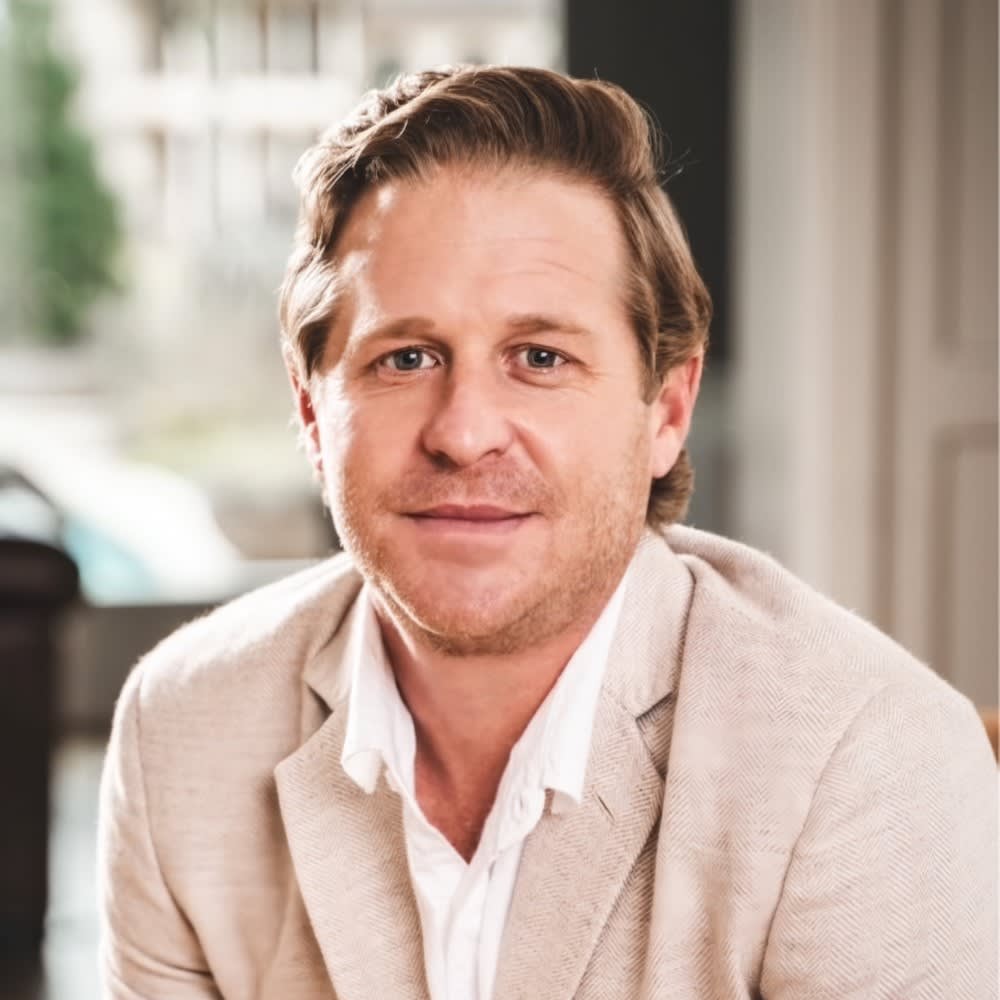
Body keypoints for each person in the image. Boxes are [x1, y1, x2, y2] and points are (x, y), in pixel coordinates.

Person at [97, 65, 998, 1000]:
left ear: (666, 411)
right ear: (313, 415)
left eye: (541, 357)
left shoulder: (865, 761)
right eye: (405, 358)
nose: (464, 430)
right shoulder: (184, 729)